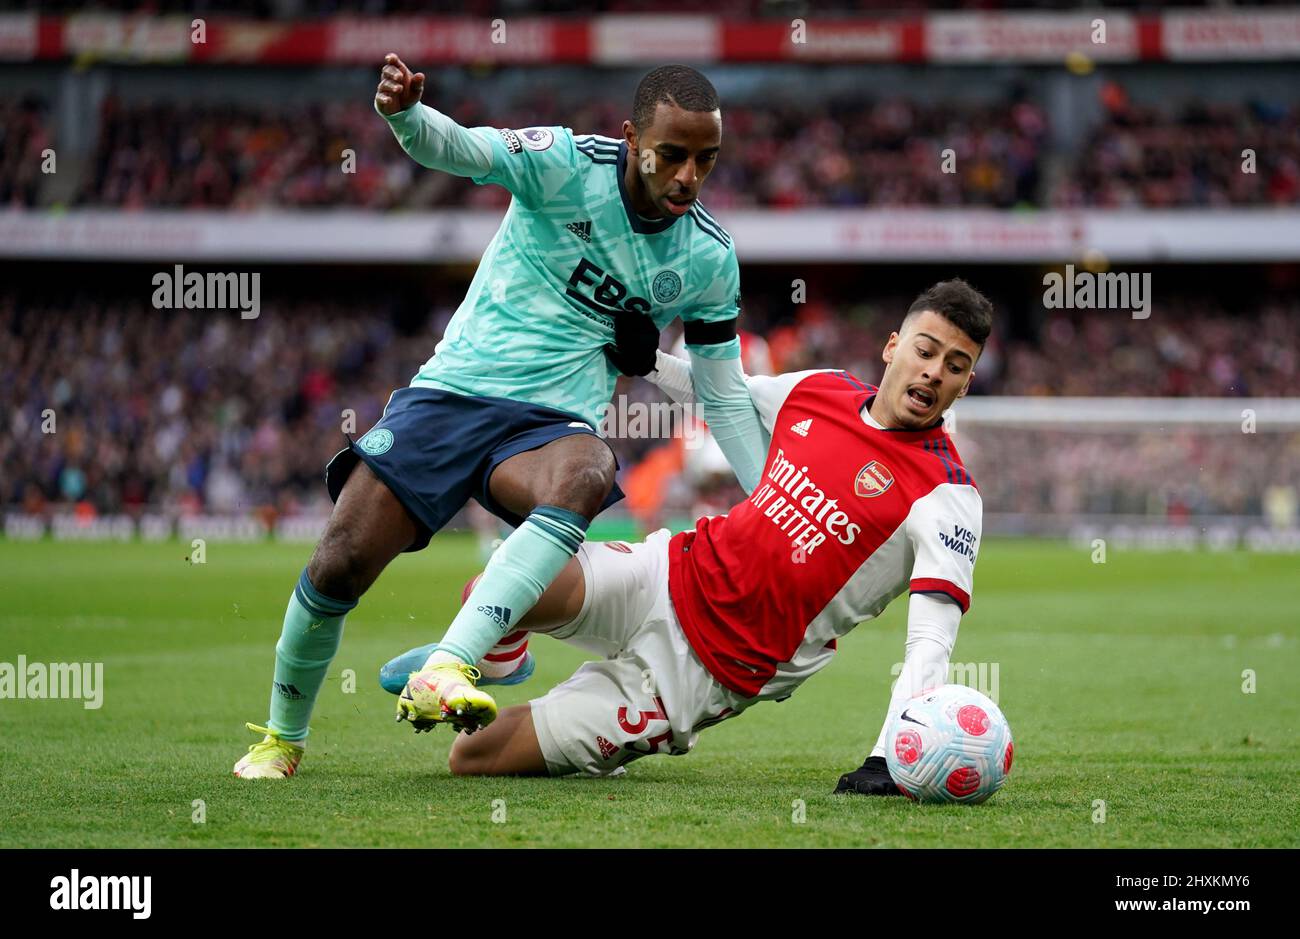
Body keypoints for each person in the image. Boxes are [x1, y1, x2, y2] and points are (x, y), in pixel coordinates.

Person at [233, 57, 765, 778]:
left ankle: (451, 663)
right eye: (672, 155)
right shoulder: (565, 163)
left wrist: (775, 501)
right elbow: (461, 148)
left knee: (588, 469)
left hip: (548, 425)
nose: (688, 177)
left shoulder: (708, 255)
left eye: (706, 160)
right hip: (451, 393)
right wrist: (406, 116)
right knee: (340, 562)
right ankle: (282, 738)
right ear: (632, 135)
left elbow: (724, 393)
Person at [379, 280, 991, 788]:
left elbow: (930, 640)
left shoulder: (948, 495)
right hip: (667, 573)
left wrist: (889, 756)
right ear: (893, 347)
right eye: (925, 350)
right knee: (500, 582)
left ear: (966, 383)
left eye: (955, 366)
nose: (934, 372)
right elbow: (725, 393)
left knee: (472, 758)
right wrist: (648, 361)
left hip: (706, 672)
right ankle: (502, 656)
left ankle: (599, 737)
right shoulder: (821, 390)